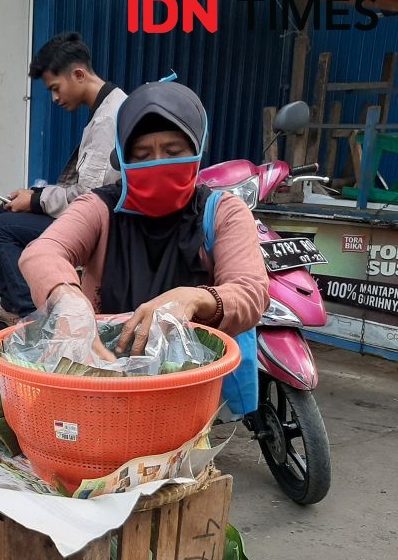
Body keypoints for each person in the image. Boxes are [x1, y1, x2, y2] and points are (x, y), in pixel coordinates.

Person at [19, 80, 269, 360]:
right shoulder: (100, 208)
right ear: (123, 160)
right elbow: (42, 252)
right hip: (103, 365)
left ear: (197, 151)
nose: (158, 163)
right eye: (141, 156)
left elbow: (250, 292)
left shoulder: (223, 212)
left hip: (192, 379)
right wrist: (66, 300)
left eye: (173, 153)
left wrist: (195, 298)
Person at [0, 32, 126, 327]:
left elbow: (90, 197)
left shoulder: (107, 121)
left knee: (2, 228)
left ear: (78, 74)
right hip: (98, 215)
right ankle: (14, 302)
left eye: (55, 88)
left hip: (103, 227)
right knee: (9, 210)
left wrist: (37, 199)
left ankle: (31, 316)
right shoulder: (106, 108)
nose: (55, 98)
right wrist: (34, 196)